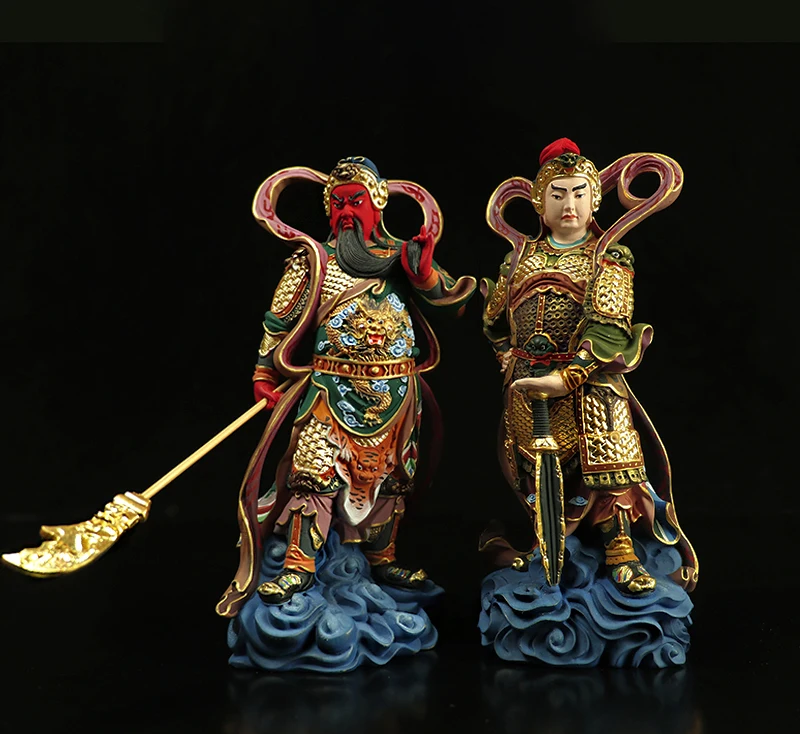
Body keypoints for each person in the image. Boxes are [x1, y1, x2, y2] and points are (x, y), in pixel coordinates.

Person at [224, 156, 475, 608]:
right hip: (330, 389)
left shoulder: (401, 256)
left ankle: (383, 558)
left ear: (377, 203)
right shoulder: (313, 261)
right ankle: (298, 566)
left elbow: (452, 304)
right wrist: (264, 372)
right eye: (337, 204)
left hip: (397, 392)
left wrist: (424, 273)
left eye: (355, 202)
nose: (346, 213)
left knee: (393, 477)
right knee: (312, 473)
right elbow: (278, 319)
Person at [480, 138, 697, 597]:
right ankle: (548, 544)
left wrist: (568, 376)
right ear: (539, 202)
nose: (569, 204)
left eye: (579, 193)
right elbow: (494, 321)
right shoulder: (518, 260)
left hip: (591, 382)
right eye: (557, 194)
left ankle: (620, 549)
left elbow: (609, 324)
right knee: (534, 469)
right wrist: (507, 357)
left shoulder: (608, 256)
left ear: (594, 199)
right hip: (527, 384)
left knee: (611, 458)